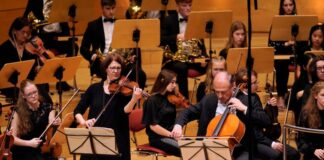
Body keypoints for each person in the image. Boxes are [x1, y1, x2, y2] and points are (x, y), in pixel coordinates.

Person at [171, 71, 270, 159]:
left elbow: (265, 121)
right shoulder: (209, 100)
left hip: (240, 149)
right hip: (209, 146)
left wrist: (244, 109)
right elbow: (187, 112)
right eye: (216, 91)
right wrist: (178, 125)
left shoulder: (248, 100)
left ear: (233, 86)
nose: (219, 96)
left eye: (223, 92)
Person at [74, 53, 142, 160]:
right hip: (94, 137)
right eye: (112, 68)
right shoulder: (94, 89)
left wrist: (134, 99)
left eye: (118, 68)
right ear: (106, 69)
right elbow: (78, 110)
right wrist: (84, 122)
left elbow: (124, 111)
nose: (116, 71)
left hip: (117, 138)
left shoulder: (124, 90)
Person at [235, 69, 300, 160]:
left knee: (291, 153)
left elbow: (260, 118)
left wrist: (269, 106)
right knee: (290, 154)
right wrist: (271, 143)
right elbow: (261, 124)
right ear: (243, 86)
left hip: (259, 138)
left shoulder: (250, 96)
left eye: (256, 81)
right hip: (253, 141)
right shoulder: (246, 100)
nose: (257, 84)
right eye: (254, 83)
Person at [80, 0, 146, 89]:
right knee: (114, 72)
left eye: (113, 8)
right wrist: (93, 56)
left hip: (121, 60)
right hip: (102, 62)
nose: (111, 12)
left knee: (140, 73)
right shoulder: (93, 25)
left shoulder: (121, 24)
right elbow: (83, 48)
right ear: (102, 8)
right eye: (108, 9)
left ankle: (134, 98)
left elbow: (128, 44)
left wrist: (130, 55)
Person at [23, 0, 78, 91]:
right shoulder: (34, 1)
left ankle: (62, 81)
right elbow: (25, 18)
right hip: (42, 37)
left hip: (58, 36)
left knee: (73, 47)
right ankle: (44, 82)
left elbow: (67, 16)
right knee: (40, 52)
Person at [160, 0, 207, 99]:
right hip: (175, 59)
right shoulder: (168, 20)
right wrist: (176, 37)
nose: (188, 8)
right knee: (182, 67)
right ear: (177, 6)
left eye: (190, 5)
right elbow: (161, 40)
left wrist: (204, 57)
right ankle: (184, 100)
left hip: (192, 58)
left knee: (213, 64)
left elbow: (201, 43)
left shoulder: (195, 21)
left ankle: (205, 99)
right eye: (184, 5)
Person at [0, 17, 52, 104]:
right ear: (14, 31)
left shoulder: (28, 48)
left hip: (27, 84)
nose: (25, 35)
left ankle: (45, 112)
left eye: (27, 33)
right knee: (34, 96)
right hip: (10, 86)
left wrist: (37, 69)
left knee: (45, 95)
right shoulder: (4, 48)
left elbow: (32, 71)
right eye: (23, 32)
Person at [268, 0, 308, 109]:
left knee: (306, 62)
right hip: (282, 56)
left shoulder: (300, 21)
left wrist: (296, 43)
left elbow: (305, 41)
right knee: (281, 63)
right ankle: (281, 95)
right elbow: (271, 44)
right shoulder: (277, 22)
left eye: (290, 5)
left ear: (294, 6)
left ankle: (300, 94)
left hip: (297, 55)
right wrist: (286, 44)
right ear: (282, 7)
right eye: (285, 5)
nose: (288, 7)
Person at [10, 79, 61, 160]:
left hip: (40, 148)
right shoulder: (18, 112)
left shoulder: (47, 107)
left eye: (35, 92)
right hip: (24, 148)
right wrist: (29, 143)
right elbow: (12, 138)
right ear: (23, 96)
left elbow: (52, 119)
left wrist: (55, 121)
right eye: (29, 94)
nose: (33, 96)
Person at [142, 69, 181, 157]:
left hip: (171, 135)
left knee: (193, 147)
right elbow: (153, 126)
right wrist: (171, 135)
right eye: (172, 82)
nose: (174, 85)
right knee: (185, 149)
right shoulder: (152, 100)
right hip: (158, 138)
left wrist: (177, 132)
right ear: (164, 81)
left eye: (175, 82)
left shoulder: (170, 97)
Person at [289, 24, 324, 123]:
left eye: (320, 37)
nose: (317, 39)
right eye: (315, 36)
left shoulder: (319, 76)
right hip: (304, 83)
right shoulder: (304, 51)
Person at [297, 81, 324, 160]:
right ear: (315, 95)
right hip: (313, 153)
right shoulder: (306, 114)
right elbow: (301, 142)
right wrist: (314, 150)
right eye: (323, 95)